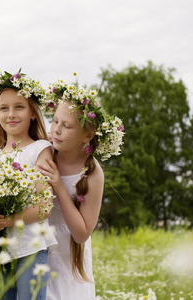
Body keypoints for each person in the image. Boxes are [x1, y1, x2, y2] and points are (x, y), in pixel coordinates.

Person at [0, 68, 58, 300]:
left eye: (19, 107)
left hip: (30, 248)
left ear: (33, 113)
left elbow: (44, 207)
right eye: (4, 108)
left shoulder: (39, 149)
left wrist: (7, 221)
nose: (11, 114)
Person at [37, 80, 125, 299]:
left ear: (87, 135)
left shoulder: (92, 174)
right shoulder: (42, 151)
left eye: (66, 126)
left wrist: (58, 185)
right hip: (36, 247)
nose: (56, 129)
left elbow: (81, 234)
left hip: (69, 259)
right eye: (55, 121)